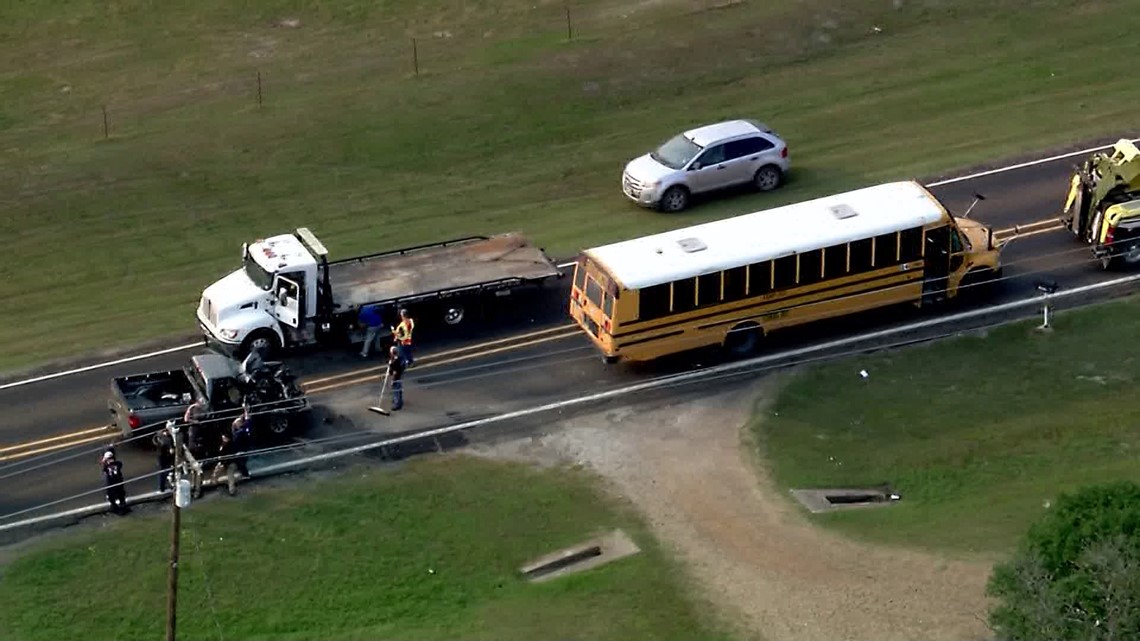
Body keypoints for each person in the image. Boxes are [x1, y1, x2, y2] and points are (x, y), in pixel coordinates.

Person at [100, 449, 129, 515]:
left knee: (119, 494)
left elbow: (105, 467)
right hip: (113, 482)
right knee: (113, 495)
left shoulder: (114, 465)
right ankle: (116, 506)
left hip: (116, 482)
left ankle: (121, 506)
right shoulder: (112, 464)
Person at [230, 405, 253, 479]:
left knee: (242, 462)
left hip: (242, 447)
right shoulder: (239, 431)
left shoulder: (239, 430)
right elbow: (247, 424)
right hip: (240, 448)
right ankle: (245, 475)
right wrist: (246, 414)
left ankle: (244, 474)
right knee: (241, 462)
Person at [153, 426, 176, 492]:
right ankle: (164, 486)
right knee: (165, 472)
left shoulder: (159, 436)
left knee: (163, 472)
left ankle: (162, 487)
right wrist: (171, 449)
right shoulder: (166, 439)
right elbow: (171, 450)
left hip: (162, 456)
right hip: (165, 457)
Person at [387, 345, 406, 411]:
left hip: (397, 377)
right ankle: (399, 400)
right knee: (399, 389)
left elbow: (394, 372)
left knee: (396, 390)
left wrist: (393, 380)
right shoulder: (399, 358)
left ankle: (397, 404)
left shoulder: (394, 362)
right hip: (400, 376)